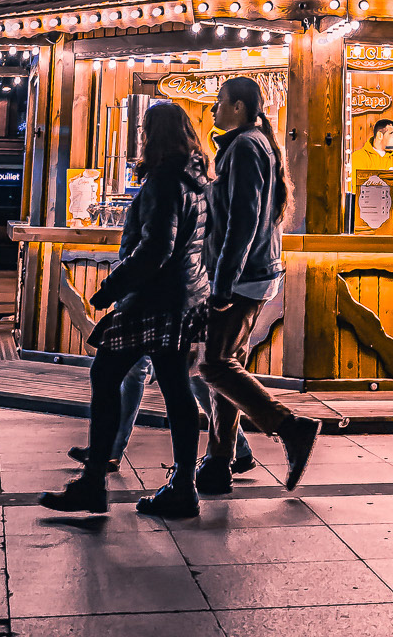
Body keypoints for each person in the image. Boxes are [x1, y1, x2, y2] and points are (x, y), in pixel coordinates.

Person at [40, 100, 210, 518]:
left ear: (154, 135)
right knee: (175, 388)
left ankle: (95, 481)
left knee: (107, 373)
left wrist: (112, 287)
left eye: (144, 130)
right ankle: (182, 486)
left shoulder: (163, 181)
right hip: (185, 299)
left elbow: (156, 248)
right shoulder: (196, 179)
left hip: (153, 300)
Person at [197, 76, 320, 494]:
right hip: (255, 273)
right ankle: (218, 461)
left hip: (243, 277)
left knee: (213, 365)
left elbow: (243, 220)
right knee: (229, 365)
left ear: (238, 107)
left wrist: (222, 283)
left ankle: (289, 427)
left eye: (219, 102)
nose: (213, 109)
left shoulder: (246, 147)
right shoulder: (252, 144)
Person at [67, 362, 255, 475]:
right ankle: (238, 450)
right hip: (168, 303)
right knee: (191, 376)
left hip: (164, 304)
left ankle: (235, 451)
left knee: (188, 375)